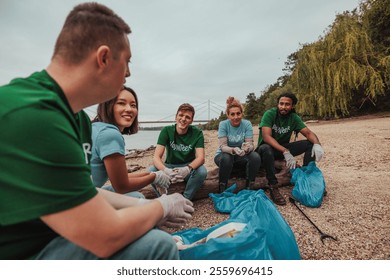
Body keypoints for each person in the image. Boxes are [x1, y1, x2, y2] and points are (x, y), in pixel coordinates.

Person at [0, 2, 193, 260]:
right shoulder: (35, 116)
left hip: (49, 233)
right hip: (21, 253)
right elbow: (104, 236)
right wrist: (162, 206)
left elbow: (84, 191)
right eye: (126, 62)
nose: (128, 73)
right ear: (103, 58)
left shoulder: (76, 117)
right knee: (159, 246)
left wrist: (142, 205)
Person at [91, 86, 170, 198]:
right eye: (121, 103)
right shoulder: (110, 135)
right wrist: (154, 178)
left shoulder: (95, 127)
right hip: (76, 202)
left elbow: (120, 178)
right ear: (108, 105)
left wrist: (151, 174)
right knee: (137, 198)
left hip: (73, 194)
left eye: (133, 105)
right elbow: (122, 186)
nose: (129, 109)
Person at [255, 92, 324, 205]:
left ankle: (307, 180)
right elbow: (266, 137)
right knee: (266, 148)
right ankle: (273, 186)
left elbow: (308, 133)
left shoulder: (293, 117)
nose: (283, 107)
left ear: (292, 106)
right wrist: (285, 151)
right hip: (265, 150)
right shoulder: (270, 114)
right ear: (277, 104)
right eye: (281, 104)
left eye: (287, 104)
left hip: (281, 149)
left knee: (309, 144)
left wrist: (317, 144)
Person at [149, 103, 207, 200]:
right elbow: (156, 157)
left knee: (202, 172)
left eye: (187, 117)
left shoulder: (197, 133)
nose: (183, 119)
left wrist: (187, 169)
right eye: (181, 115)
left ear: (191, 121)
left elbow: (201, 158)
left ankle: (185, 199)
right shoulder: (166, 131)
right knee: (151, 171)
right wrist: (165, 170)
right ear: (176, 117)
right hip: (170, 166)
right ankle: (165, 200)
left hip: (188, 167)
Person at [214, 97, 261, 192]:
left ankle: (249, 187)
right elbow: (223, 147)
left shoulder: (247, 124)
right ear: (228, 115)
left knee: (255, 156)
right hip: (223, 157)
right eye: (232, 114)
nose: (236, 117)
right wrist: (233, 150)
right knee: (227, 157)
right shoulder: (223, 124)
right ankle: (222, 188)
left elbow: (251, 144)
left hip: (241, 156)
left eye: (238, 113)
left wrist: (247, 149)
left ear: (242, 114)